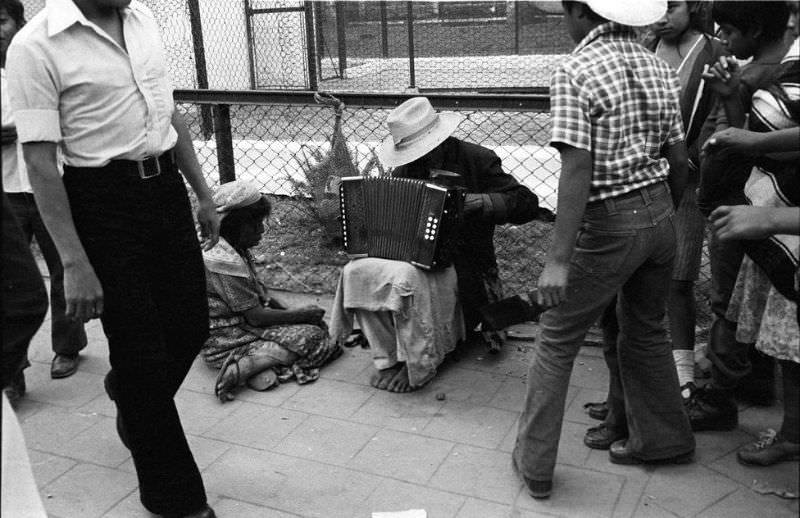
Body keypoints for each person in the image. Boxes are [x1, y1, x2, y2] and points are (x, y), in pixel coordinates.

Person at [6, 1, 219, 516]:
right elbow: (38, 159)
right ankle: (177, 500)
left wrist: (203, 193)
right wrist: (73, 261)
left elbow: (170, 116)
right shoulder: (35, 45)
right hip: (101, 202)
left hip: (165, 190)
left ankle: (130, 395)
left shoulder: (142, 19)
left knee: (190, 326)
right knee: (141, 353)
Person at [513, 0, 695, 500]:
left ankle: (535, 465)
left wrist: (558, 260)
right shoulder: (659, 66)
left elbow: (577, 170)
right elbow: (679, 158)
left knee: (556, 339)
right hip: (660, 214)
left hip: (609, 224)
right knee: (645, 331)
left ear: (579, 13)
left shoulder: (574, 71)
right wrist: (662, 215)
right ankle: (662, 441)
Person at [581, 0, 725, 432]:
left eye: (673, 5)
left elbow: (715, 118)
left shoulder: (712, 51)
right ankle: (620, 400)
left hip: (685, 184)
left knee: (677, 285)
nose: (663, 15)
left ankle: (681, 382)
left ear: (694, 5)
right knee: (624, 306)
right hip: (646, 189)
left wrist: (688, 170)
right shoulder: (644, 49)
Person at [688, 0, 792, 432]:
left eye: (729, 31)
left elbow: (754, 148)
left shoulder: (769, 76)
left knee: (726, 303)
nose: (725, 41)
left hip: (747, 210)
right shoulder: (757, 72)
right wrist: (731, 99)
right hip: (751, 206)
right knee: (747, 297)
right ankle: (753, 383)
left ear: (752, 27)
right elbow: (746, 134)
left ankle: (720, 399)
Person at [381, 96, 541, 354]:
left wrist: (484, 201)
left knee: (467, 331)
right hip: (420, 261)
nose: (422, 157)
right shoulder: (406, 170)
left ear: (439, 138)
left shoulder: (476, 158)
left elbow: (528, 204)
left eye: (425, 148)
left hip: (471, 264)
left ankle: (472, 317)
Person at [704, 37, 799, 466]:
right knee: (789, 345)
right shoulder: (777, 64)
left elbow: (762, 141)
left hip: (778, 220)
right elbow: (760, 136)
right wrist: (734, 104)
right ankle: (793, 432)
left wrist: (773, 220)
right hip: (774, 213)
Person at [1, 0, 87, 381]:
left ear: (18, 22)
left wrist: (33, 131)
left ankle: (67, 347)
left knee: (62, 266)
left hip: (49, 187)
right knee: (11, 280)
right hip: (6, 190)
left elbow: (67, 120)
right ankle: (13, 368)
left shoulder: (41, 61)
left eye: (1, 21)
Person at [202, 180, 343, 402]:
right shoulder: (222, 262)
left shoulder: (231, 246)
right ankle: (249, 365)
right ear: (235, 225)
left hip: (238, 328)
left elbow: (258, 298)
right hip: (226, 340)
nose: (262, 230)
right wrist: (300, 315)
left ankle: (261, 364)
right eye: (256, 224)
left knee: (317, 327)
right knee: (317, 336)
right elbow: (256, 317)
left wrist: (288, 311)